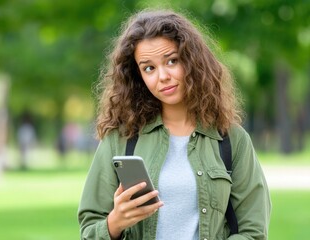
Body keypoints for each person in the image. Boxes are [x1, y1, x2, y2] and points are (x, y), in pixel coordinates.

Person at [78, 9, 271, 240]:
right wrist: (114, 223)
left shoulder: (232, 140)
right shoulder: (119, 140)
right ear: (138, 76)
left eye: (172, 61)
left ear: (192, 60)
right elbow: (89, 231)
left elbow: (253, 232)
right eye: (149, 68)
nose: (162, 76)